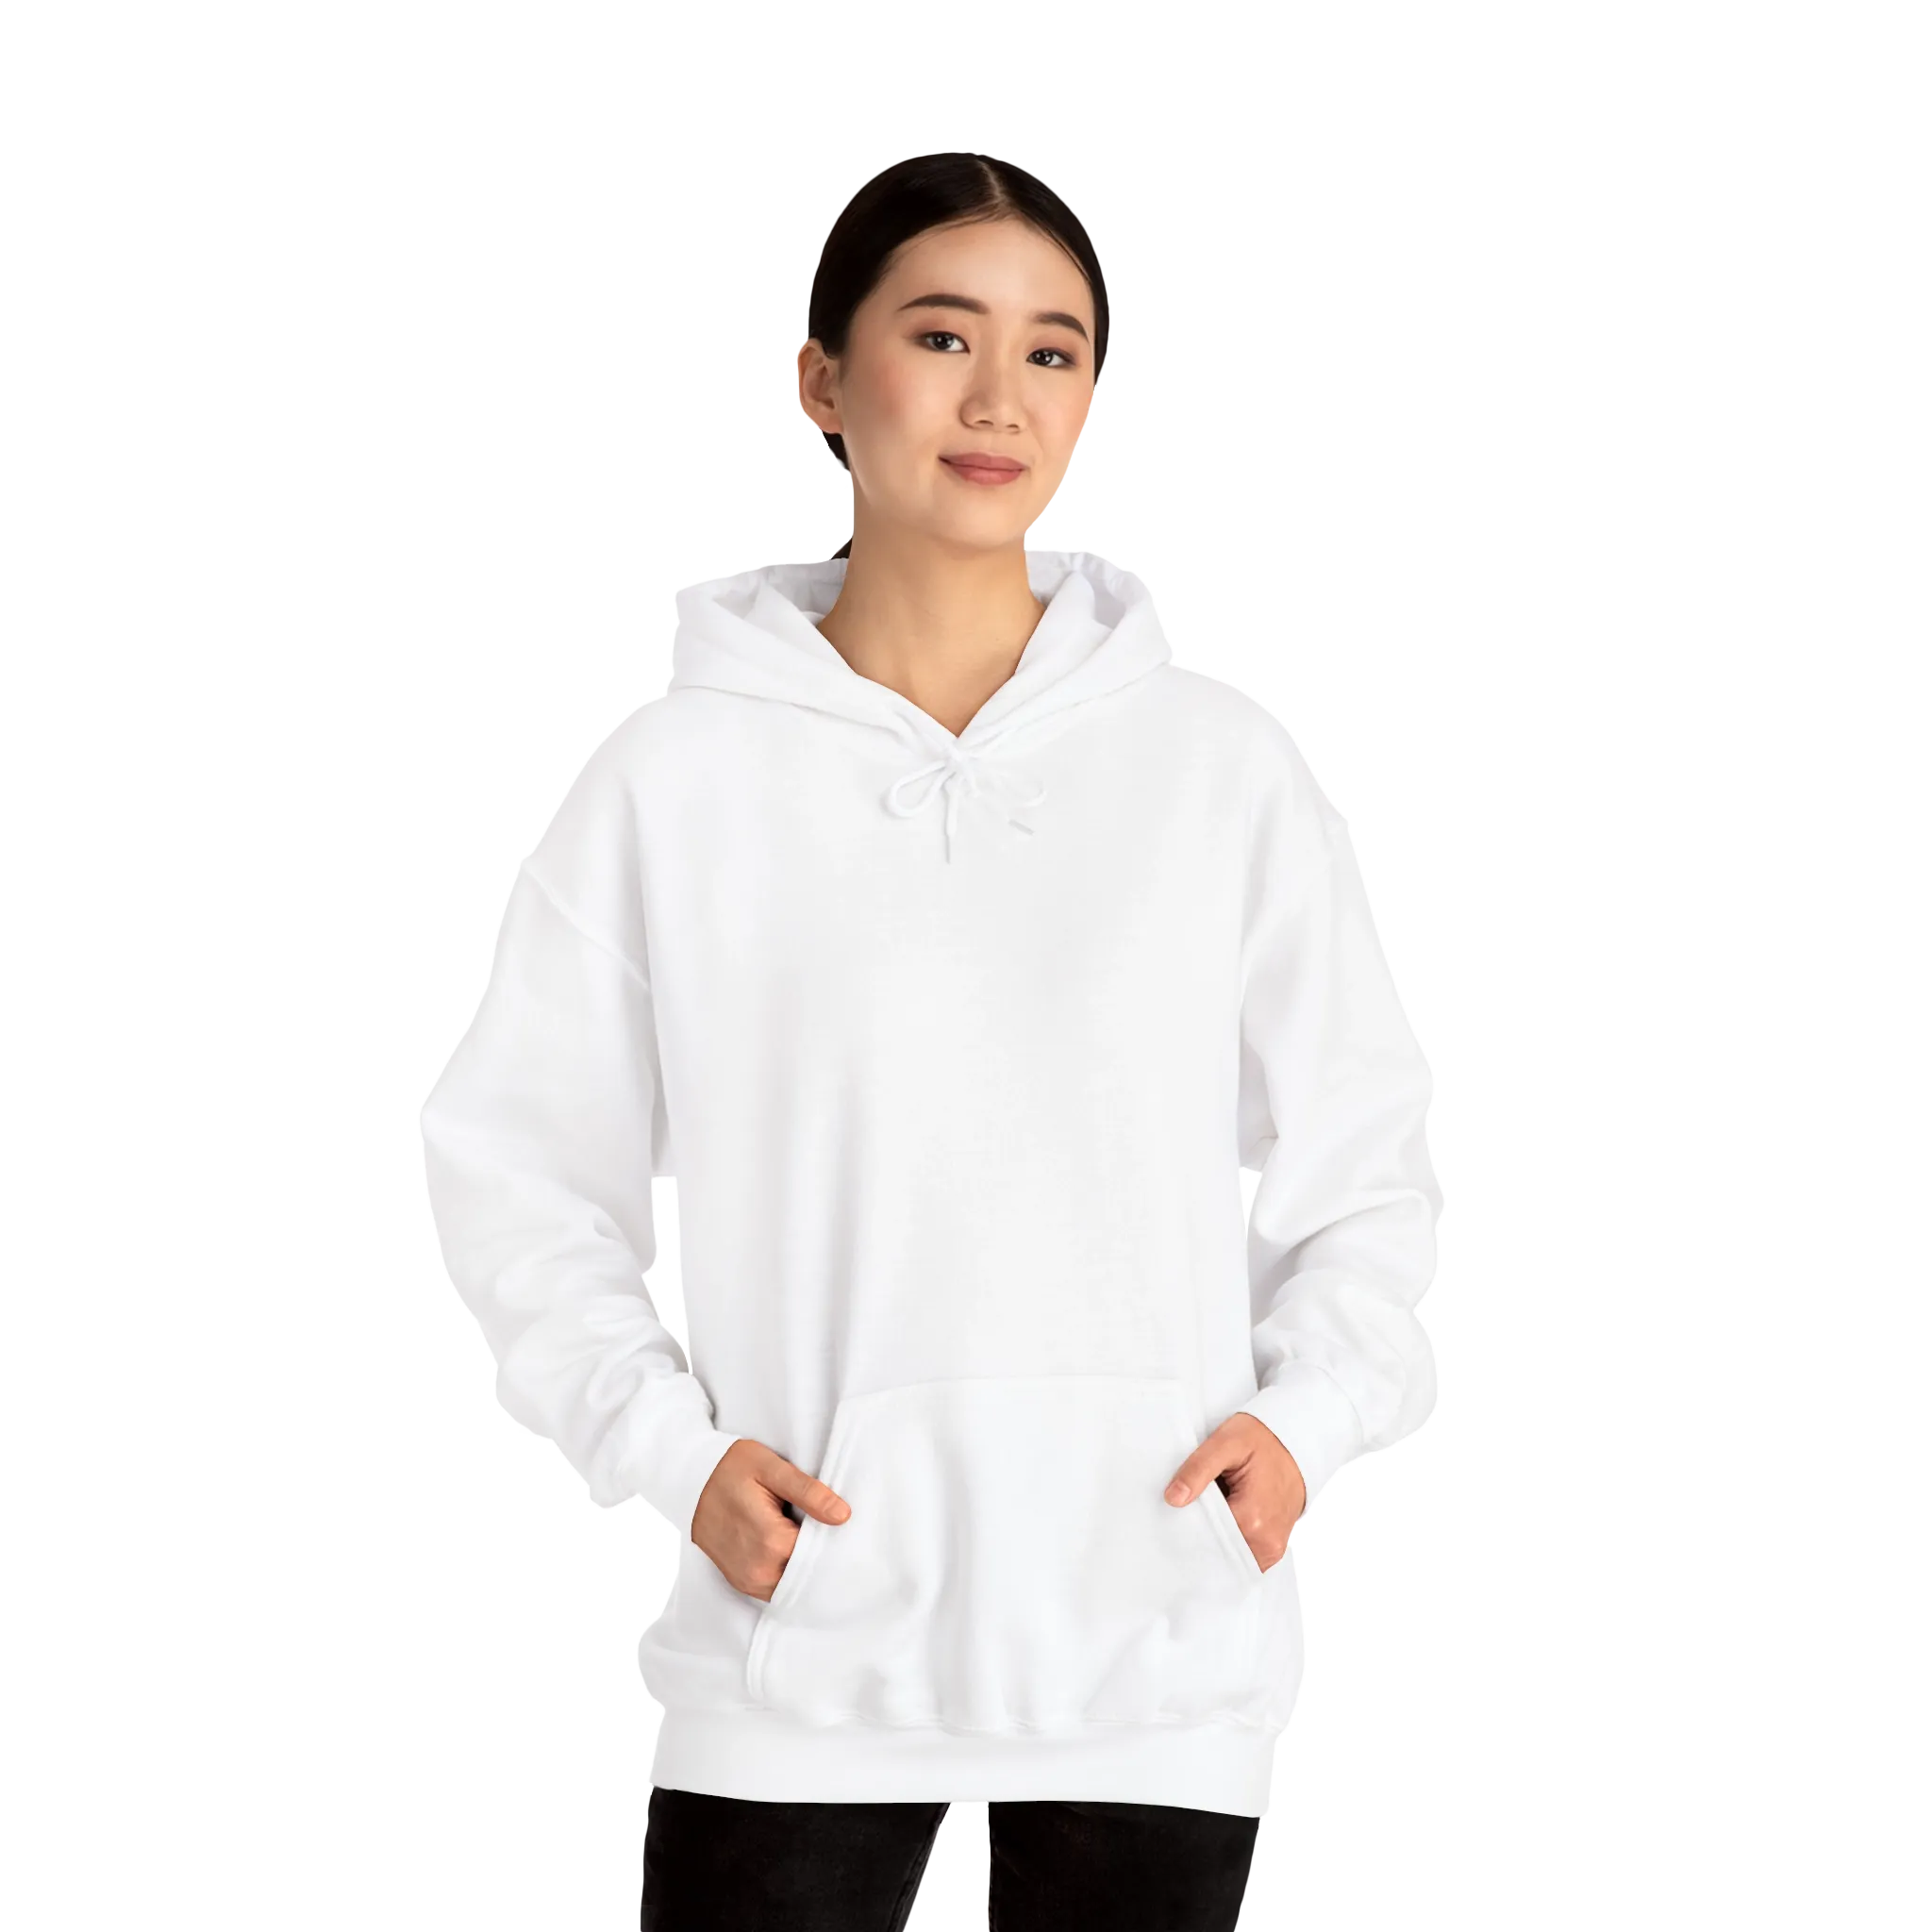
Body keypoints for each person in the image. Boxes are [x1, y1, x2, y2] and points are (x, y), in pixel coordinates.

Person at [417, 148, 1444, 1932]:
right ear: (822, 380)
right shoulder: (673, 780)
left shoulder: (1219, 766)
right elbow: (517, 1168)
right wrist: (671, 1457)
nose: (998, 399)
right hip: (795, 1640)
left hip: (1152, 1642)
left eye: (1052, 351)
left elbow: (1368, 1159)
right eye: (942, 335)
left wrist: (1310, 1423)